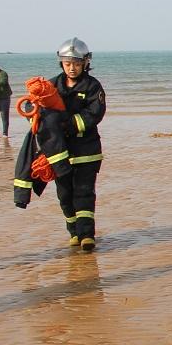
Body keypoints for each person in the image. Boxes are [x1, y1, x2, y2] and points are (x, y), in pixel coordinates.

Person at [50, 39, 107, 251]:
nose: (72, 68)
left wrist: (68, 124)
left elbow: (95, 114)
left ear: (85, 62)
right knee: (64, 194)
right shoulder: (52, 85)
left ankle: (86, 235)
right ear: (61, 64)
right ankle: (73, 232)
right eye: (67, 64)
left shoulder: (93, 87)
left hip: (87, 151)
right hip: (60, 153)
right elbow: (37, 106)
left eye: (76, 63)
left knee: (84, 192)